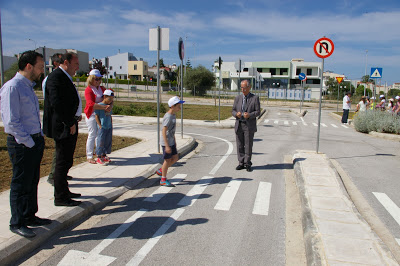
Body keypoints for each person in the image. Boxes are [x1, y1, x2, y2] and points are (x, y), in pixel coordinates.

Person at [0, 50, 51, 238]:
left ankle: (30, 216)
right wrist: (29, 142)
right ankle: (17, 222)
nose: (41, 71)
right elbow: (11, 122)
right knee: (20, 183)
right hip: (21, 143)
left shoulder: (27, 86)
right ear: (28, 66)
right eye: (39, 67)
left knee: (32, 181)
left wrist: (38, 138)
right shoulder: (12, 87)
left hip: (33, 140)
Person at [43, 52, 82, 207]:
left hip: (69, 124)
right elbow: (56, 103)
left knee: (66, 161)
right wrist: (69, 122)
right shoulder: (55, 77)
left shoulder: (64, 76)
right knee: (61, 161)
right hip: (63, 127)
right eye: (76, 63)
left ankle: (65, 191)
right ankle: (60, 197)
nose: (78, 67)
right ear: (66, 62)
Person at [42, 53, 72, 185]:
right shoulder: (52, 79)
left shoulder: (63, 77)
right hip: (58, 122)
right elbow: (54, 102)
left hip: (64, 120)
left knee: (63, 154)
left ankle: (61, 175)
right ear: (56, 63)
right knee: (59, 153)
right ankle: (54, 176)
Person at [232, 80, 260, 172]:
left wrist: (250, 115)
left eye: (244, 88)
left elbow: (258, 112)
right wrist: (236, 114)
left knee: (248, 145)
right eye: (241, 87)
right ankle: (241, 163)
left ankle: (247, 163)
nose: (242, 89)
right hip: (239, 124)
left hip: (249, 125)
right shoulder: (238, 98)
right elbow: (233, 110)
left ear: (249, 87)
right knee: (240, 145)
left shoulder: (255, 98)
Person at [156, 96, 185, 187]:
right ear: (172, 106)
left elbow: (171, 130)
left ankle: (161, 170)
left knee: (175, 158)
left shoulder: (173, 115)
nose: (180, 108)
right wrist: (167, 146)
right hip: (166, 142)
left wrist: (174, 141)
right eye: (178, 106)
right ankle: (163, 179)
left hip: (171, 141)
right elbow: (164, 131)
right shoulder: (168, 116)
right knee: (167, 160)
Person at [84, 69, 111, 164]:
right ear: (91, 79)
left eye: (99, 79)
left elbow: (108, 98)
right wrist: (104, 107)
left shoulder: (102, 88)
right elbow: (90, 104)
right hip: (91, 114)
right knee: (92, 134)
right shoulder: (88, 90)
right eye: (96, 79)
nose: (98, 81)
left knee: (100, 135)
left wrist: (109, 105)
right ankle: (89, 155)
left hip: (101, 114)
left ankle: (99, 153)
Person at [94, 89, 114, 165]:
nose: (110, 101)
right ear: (105, 97)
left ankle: (104, 155)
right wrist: (99, 125)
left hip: (108, 126)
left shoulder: (109, 106)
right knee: (101, 141)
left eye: (112, 99)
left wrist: (111, 124)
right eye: (109, 99)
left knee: (107, 141)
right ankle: (99, 156)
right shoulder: (99, 105)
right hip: (102, 126)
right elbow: (96, 116)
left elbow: (110, 115)